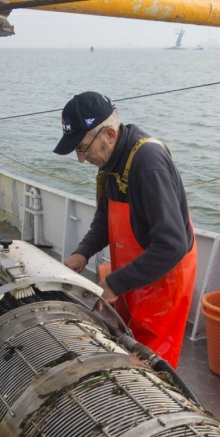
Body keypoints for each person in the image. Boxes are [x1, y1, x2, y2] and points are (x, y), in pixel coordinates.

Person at [54, 91, 197, 368]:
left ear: (108, 134)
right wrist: (82, 253)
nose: (81, 159)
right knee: (129, 338)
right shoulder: (110, 162)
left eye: (82, 148)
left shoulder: (148, 163)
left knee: (153, 362)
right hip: (133, 272)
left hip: (165, 278)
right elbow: (105, 219)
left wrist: (115, 283)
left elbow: (172, 245)